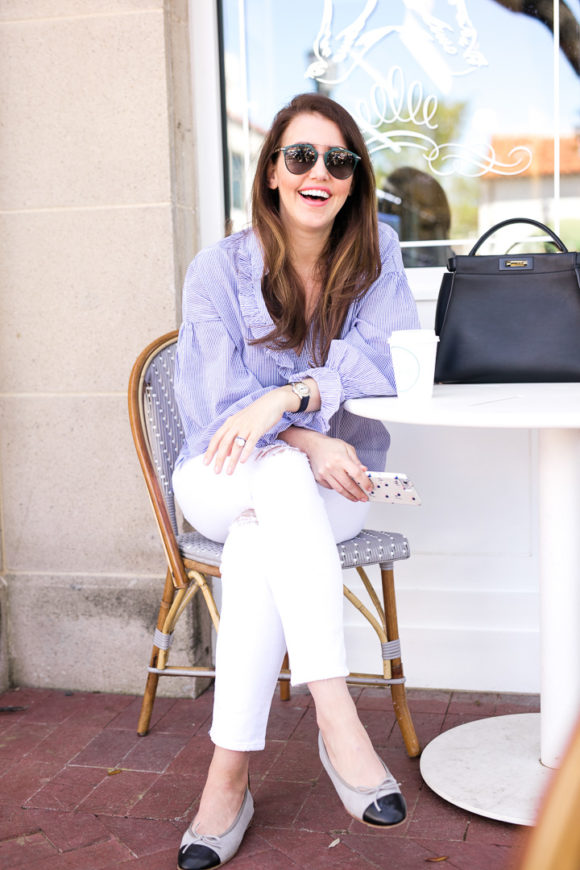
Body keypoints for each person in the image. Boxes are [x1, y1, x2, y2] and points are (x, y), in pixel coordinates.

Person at [172, 92, 419, 870]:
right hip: (216, 475)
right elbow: (219, 414)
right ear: (273, 171)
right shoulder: (219, 269)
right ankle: (338, 717)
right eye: (301, 156)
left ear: (355, 179)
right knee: (273, 473)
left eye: (339, 159)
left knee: (259, 545)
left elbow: (388, 363)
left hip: (330, 496)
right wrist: (309, 434)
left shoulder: (377, 254)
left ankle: (228, 781)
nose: (321, 171)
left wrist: (290, 397)